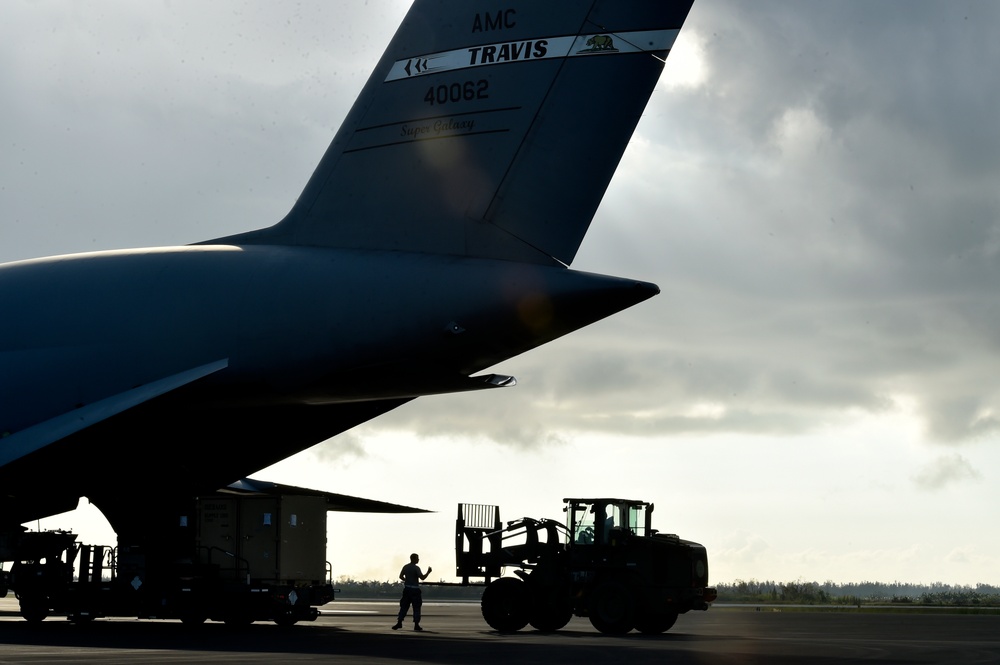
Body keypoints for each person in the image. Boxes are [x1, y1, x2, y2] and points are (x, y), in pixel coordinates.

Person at [392, 553, 431, 631]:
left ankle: (399, 622)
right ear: (414, 559)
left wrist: (407, 580)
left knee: (404, 607)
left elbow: (400, 576)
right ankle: (416, 625)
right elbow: (422, 577)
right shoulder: (416, 568)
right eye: (417, 558)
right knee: (416, 607)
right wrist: (428, 572)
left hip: (407, 589)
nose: (418, 560)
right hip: (414, 590)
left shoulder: (406, 567)